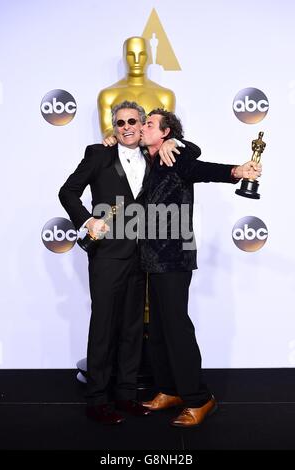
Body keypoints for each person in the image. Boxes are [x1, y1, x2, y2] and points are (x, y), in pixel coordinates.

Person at [138, 109, 262, 428]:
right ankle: (169, 389)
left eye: (149, 124)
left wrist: (235, 170)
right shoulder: (145, 160)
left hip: (174, 255)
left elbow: (198, 166)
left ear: (165, 134)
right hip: (150, 255)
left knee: (176, 328)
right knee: (159, 329)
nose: (141, 127)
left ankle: (199, 399)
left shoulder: (176, 154)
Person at [58, 101, 176, 425]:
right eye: (120, 122)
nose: (126, 127)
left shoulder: (154, 159)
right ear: (114, 126)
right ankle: (97, 399)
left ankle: (126, 395)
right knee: (104, 327)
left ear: (142, 126)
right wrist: (87, 221)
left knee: (132, 328)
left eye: (132, 122)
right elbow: (67, 192)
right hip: (107, 256)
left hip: (142, 257)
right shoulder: (98, 155)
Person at [98, 36, 175, 138]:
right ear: (124, 57)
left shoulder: (165, 95)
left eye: (142, 55)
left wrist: (171, 141)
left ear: (149, 58)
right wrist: (111, 137)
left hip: (155, 153)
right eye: (130, 55)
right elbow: (107, 132)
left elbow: (169, 133)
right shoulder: (107, 95)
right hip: (120, 152)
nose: (136, 60)